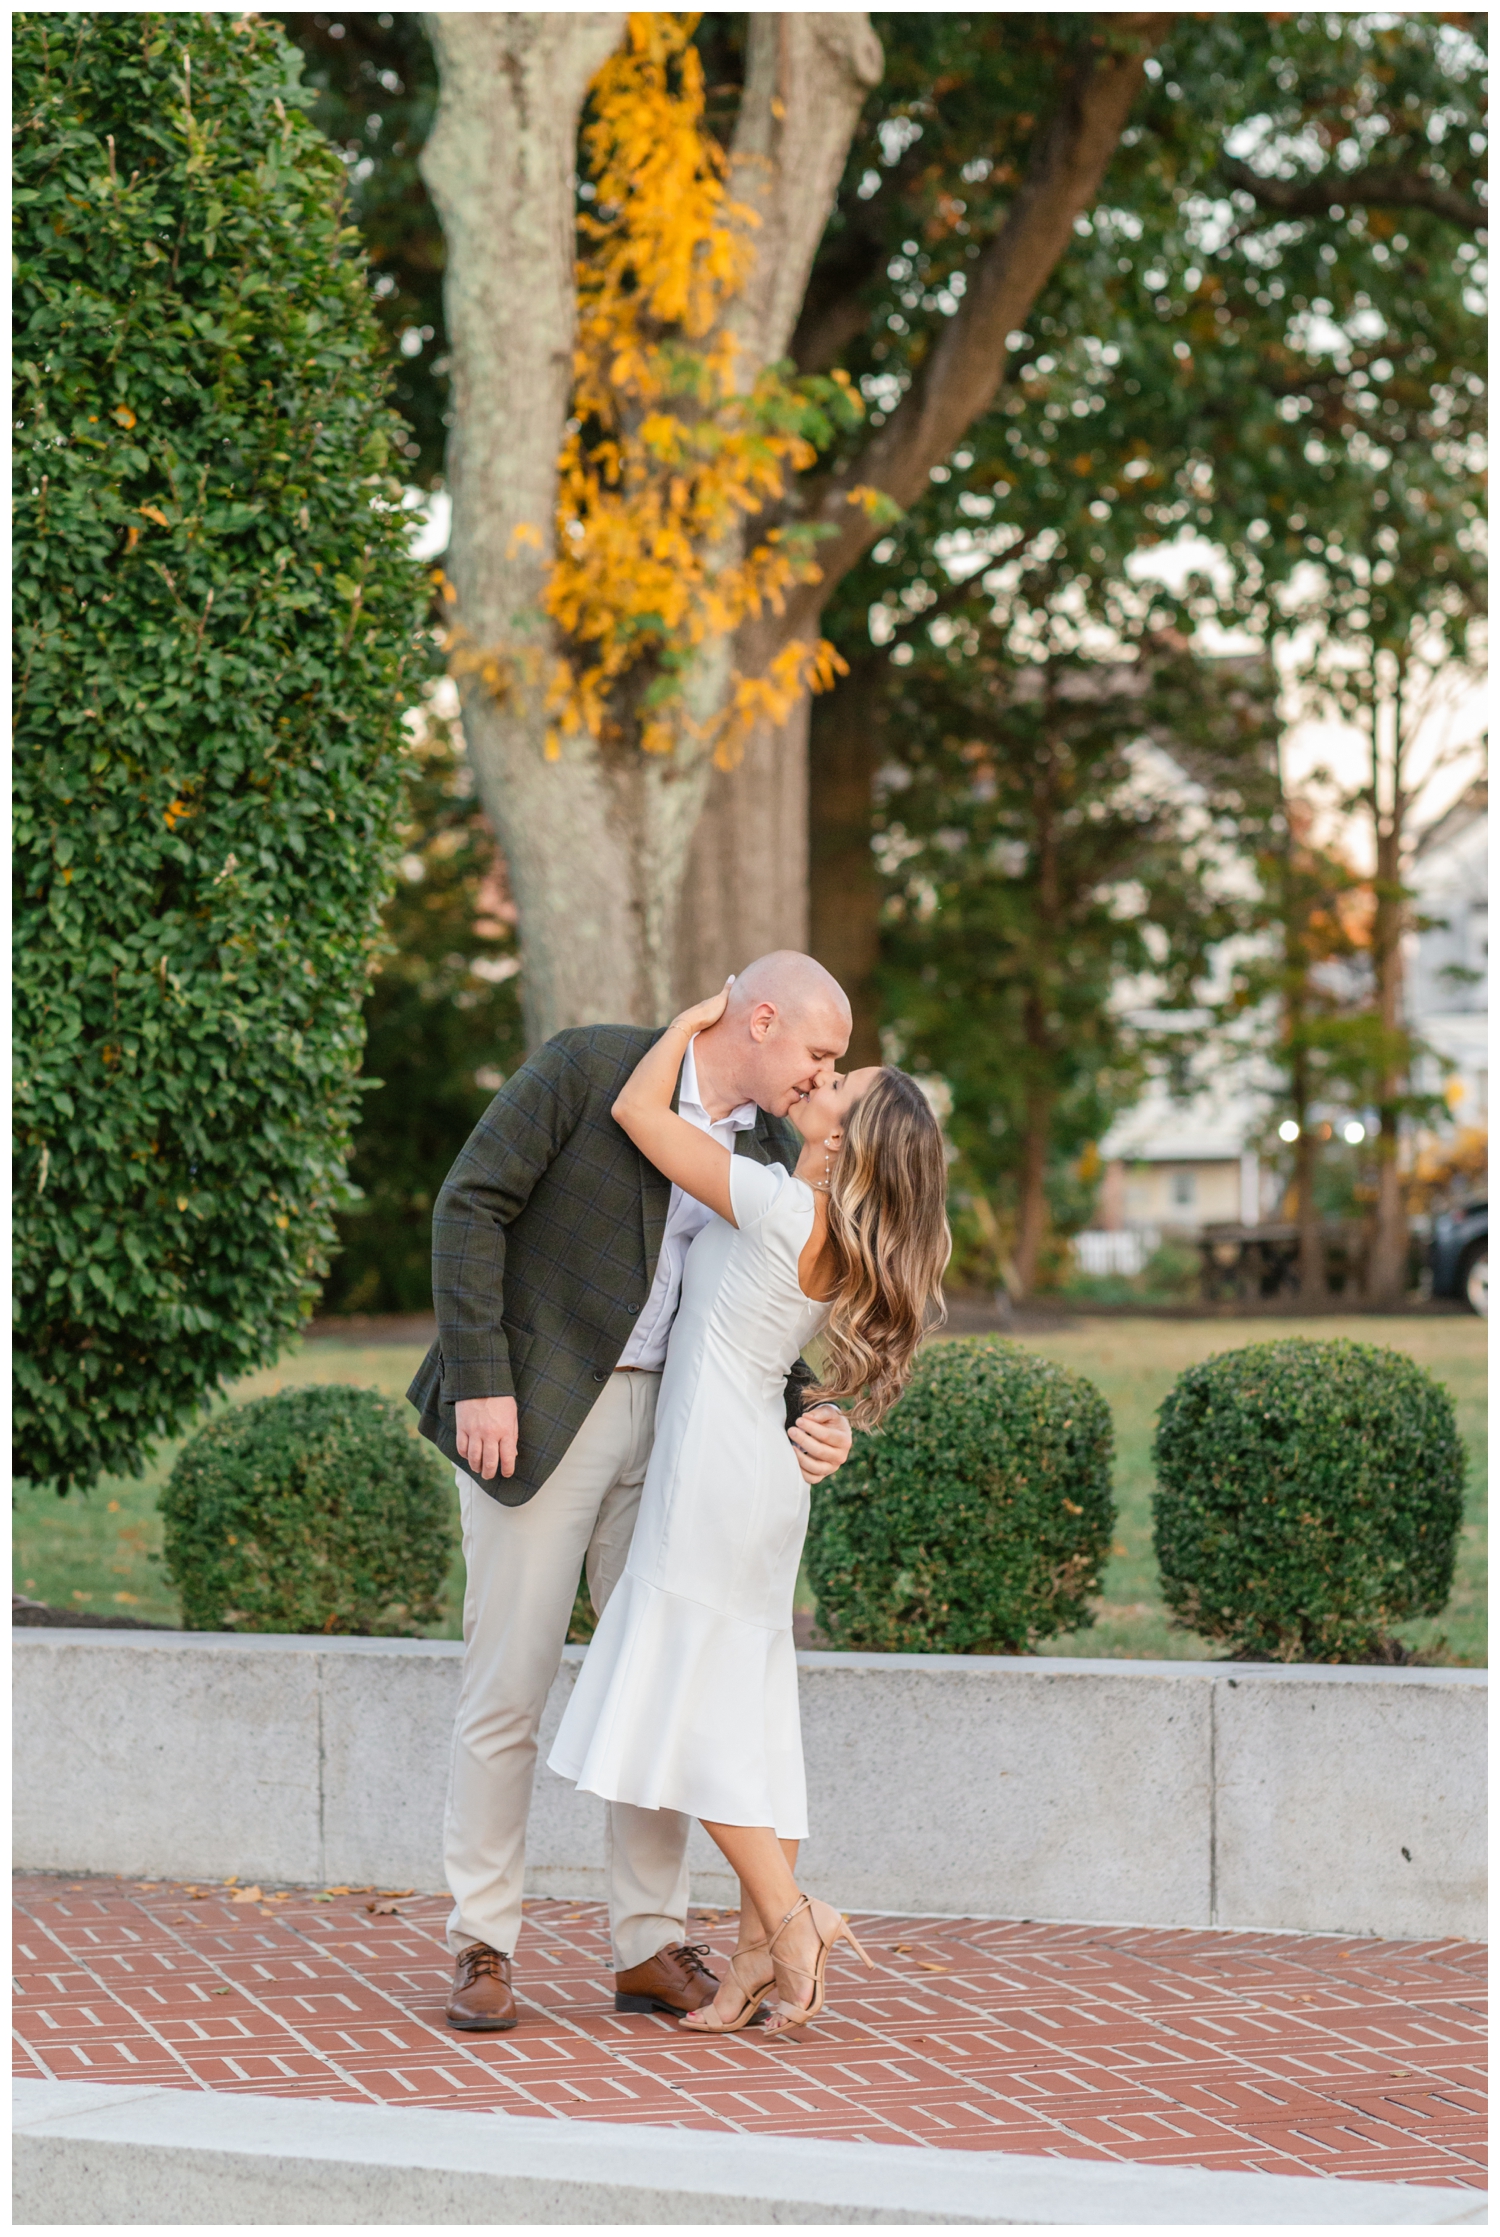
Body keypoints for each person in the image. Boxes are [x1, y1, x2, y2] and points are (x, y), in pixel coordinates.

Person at [408, 953, 858, 2033]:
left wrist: (808, 1407)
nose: (823, 1076)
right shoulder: (592, 1066)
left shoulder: (767, 1148)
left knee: (666, 1683)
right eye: (818, 1052)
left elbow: (756, 1304)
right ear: (759, 1018)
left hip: (683, 1437)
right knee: (507, 1682)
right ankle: (482, 1939)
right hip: (540, 1408)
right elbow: (471, 1203)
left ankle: (651, 1942)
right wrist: (482, 1378)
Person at [547, 980, 951, 2035]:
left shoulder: (777, 1204)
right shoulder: (827, 1223)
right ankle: (750, 1965)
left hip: (716, 1473)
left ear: (850, 1135)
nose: (816, 1080)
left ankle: (793, 1911)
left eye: (836, 1084)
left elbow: (639, 1115)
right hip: (762, 1480)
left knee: (690, 1712)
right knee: (750, 1712)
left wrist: (692, 1019)